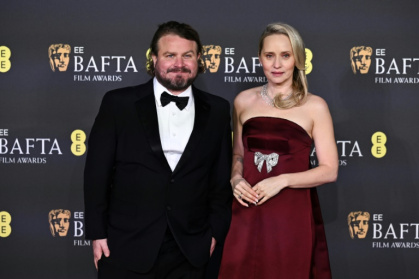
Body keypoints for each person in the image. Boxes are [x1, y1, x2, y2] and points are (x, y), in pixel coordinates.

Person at [84, 21, 232, 279]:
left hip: (191, 250)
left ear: (199, 59)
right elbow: (97, 173)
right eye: (170, 55)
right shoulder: (119, 104)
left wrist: (215, 234)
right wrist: (97, 233)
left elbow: (220, 181)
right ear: (153, 59)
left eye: (187, 55)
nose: (179, 63)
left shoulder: (218, 110)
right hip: (125, 247)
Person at [218, 22, 338, 279]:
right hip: (246, 207)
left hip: (290, 212)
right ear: (260, 57)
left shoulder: (314, 106)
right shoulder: (243, 101)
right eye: (269, 55)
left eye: (285, 55)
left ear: (297, 58)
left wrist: (282, 181)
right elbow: (238, 154)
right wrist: (236, 178)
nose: (277, 64)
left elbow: (329, 170)